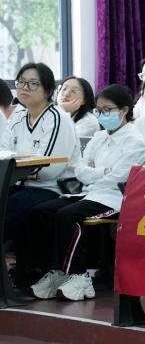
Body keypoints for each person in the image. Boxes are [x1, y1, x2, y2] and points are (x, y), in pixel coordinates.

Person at [22, 85, 145, 301]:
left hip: (114, 199)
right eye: (99, 110)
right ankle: (57, 271)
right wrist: (102, 171)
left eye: (107, 110)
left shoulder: (134, 141)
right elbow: (79, 170)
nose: (102, 115)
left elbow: (118, 177)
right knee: (41, 212)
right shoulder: (99, 136)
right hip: (89, 193)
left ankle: (79, 275)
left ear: (124, 110)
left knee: (68, 215)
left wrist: (96, 172)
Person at [7, 63, 80, 236]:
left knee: (8, 211)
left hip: (51, 188)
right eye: (21, 82)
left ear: (47, 91)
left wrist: (13, 173)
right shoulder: (18, 117)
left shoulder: (57, 118)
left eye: (33, 83)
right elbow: (5, 152)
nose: (25, 87)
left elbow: (49, 169)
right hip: (20, 184)